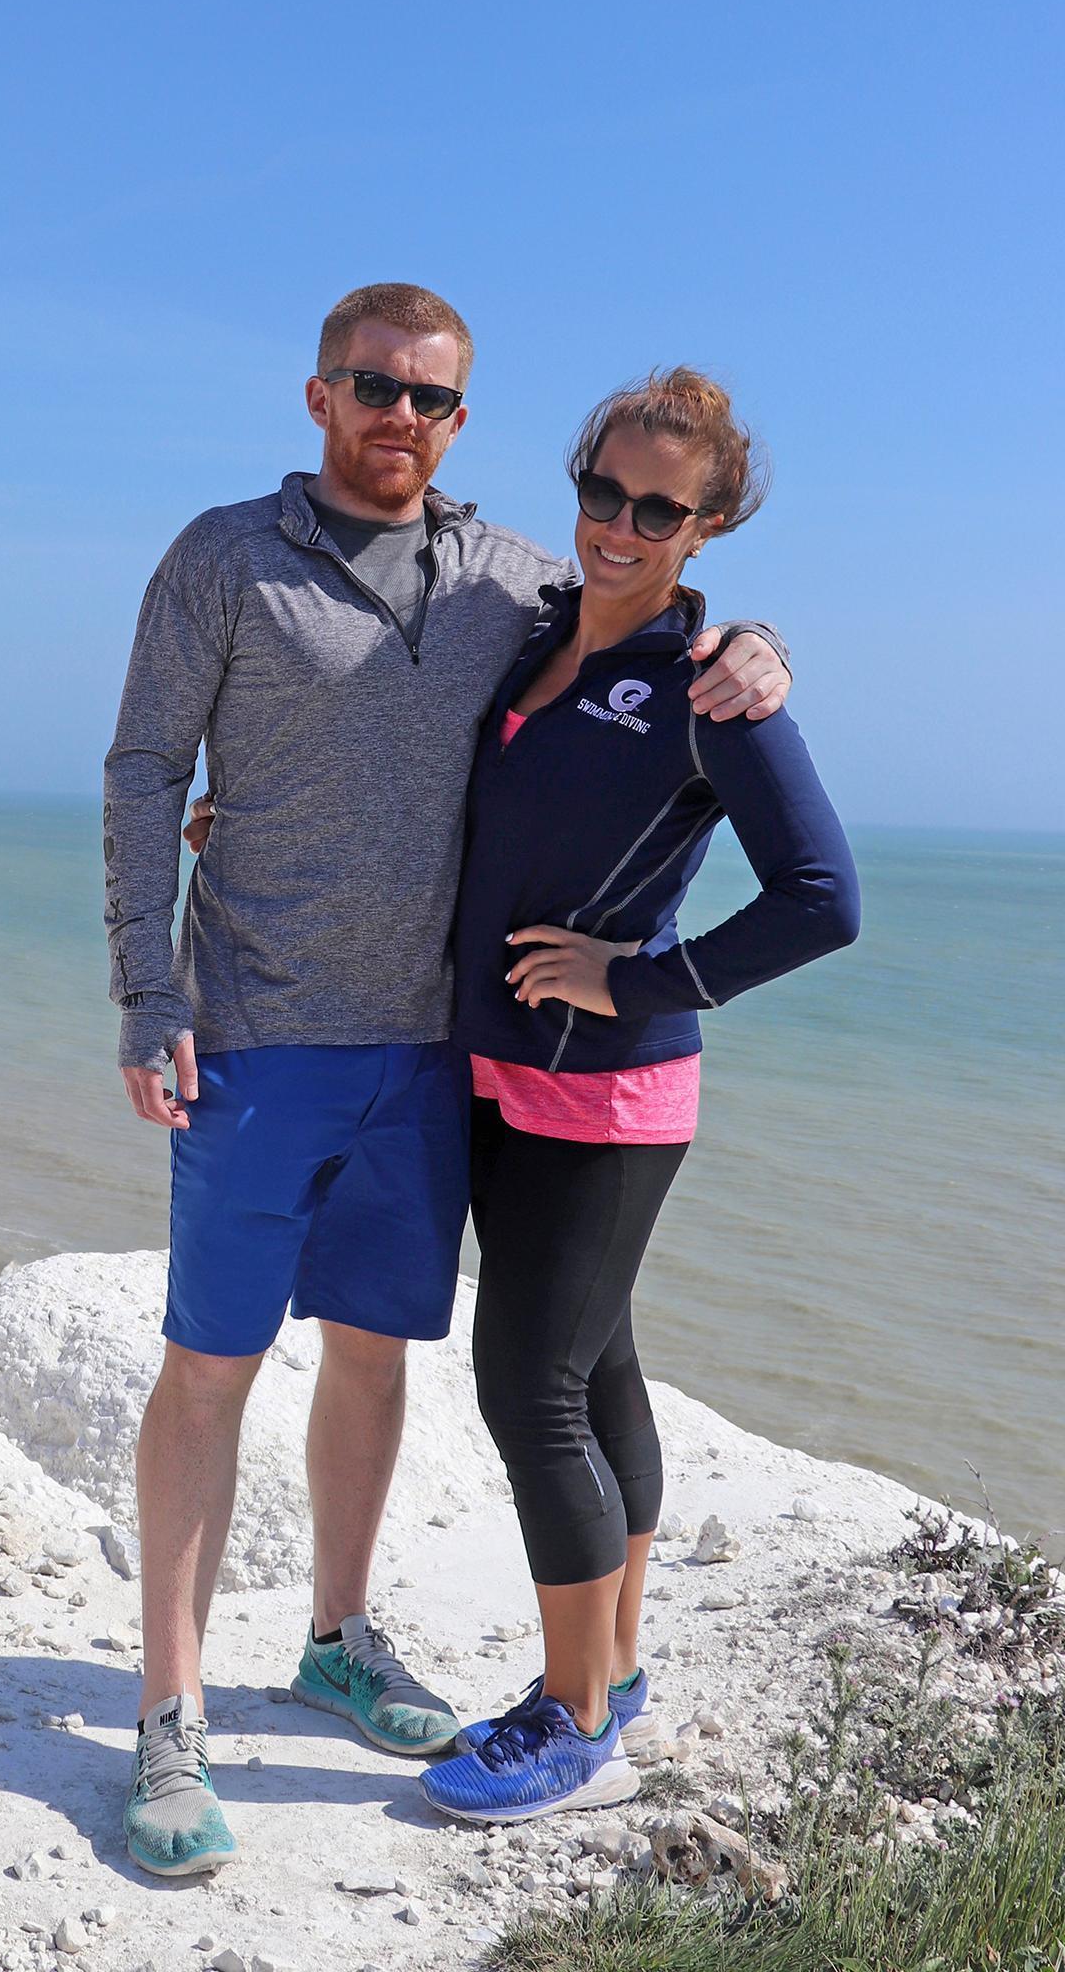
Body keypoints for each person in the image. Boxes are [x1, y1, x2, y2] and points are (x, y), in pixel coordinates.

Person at [101, 284, 791, 1878]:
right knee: (209, 1365)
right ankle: (169, 1715)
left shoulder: (513, 581)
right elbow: (148, 768)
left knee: (374, 1356)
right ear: (319, 394)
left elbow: (654, 600)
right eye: (373, 387)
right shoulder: (222, 557)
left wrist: (761, 643)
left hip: (431, 1060)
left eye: (431, 398)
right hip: (254, 1035)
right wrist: (148, 988)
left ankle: (338, 1637)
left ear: (462, 420)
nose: (400, 417)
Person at [413, 368, 859, 1825]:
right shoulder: (538, 634)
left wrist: (642, 978)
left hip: (603, 1100)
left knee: (525, 1386)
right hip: (498, 1073)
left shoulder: (707, 688)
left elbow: (822, 899)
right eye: (601, 493)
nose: (617, 525)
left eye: (657, 508)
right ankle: (614, 1661)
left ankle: (574, 1716)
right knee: (599, 1371)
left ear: (708, 522)